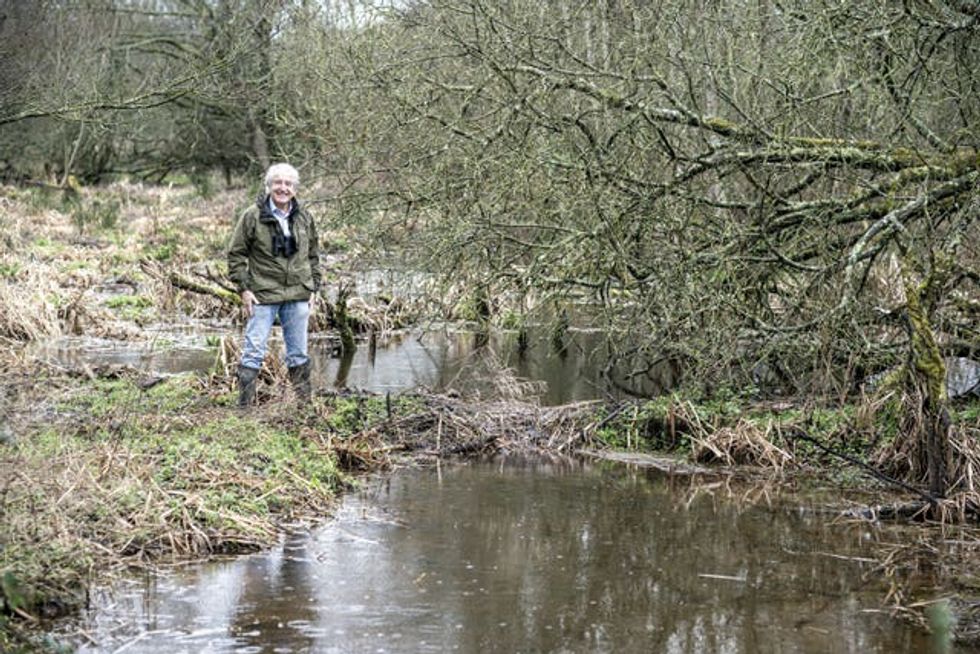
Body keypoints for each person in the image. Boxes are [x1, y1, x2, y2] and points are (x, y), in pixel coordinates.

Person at [227, 163, 321, 406]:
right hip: (262, 295)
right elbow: (236, 255)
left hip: (298, 295)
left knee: (298, 353)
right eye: (278, 183)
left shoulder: (304, 217)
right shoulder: (252, 216)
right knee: (253, 352)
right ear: (268, 186)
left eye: (288, 184)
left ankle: (304, 406)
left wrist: (313, 287)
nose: (283, 188)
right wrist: (245, 289)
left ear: (295, 189)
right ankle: (245, 408)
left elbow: (313, 255)